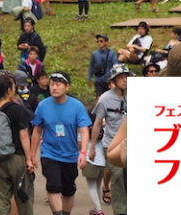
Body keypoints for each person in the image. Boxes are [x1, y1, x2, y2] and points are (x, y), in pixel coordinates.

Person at [30, 72, 91, 215]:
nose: (54, 87)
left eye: (58, 84)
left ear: (67, 87)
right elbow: (37, 131)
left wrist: (83, 152)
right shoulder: (43, 106)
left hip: (70, 155)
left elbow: (84, 131)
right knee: (53, 186)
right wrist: (32, 155)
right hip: (49, 153)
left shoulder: (77, 106)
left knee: (69, 190)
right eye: (52, 84)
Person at [0, 73, 35, 215]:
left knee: (1, 202)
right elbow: (24, 136)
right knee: (23, 199)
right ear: (9, 90)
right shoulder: (18, 109)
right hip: (17, 158)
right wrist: (29, 159)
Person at [90, 65, 128, 215]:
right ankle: (121, 211)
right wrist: (92, 147)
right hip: (112, 145)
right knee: (117, 177)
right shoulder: (105, 98)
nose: (125, 80)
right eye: (120, 77)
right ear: (113, 80)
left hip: (133, 144)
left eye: (126, 77)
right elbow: (98, 123)